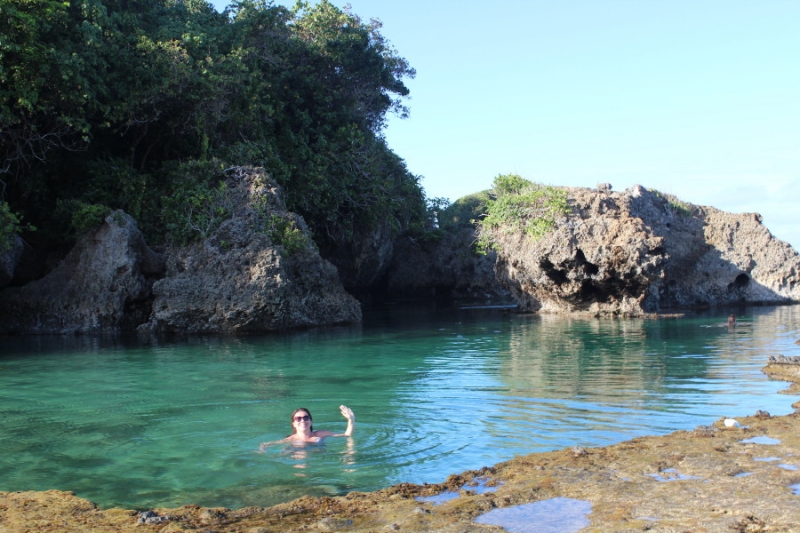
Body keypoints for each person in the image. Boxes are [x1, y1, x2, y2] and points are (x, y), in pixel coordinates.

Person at [259, 405, 355, 451]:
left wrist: (351, 419)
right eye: (298, 418)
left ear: (310, 421)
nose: (302, 420)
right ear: (294, 424)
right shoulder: (291, 439)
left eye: (306, 417)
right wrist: (262, 449)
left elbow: (346, 436)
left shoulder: (320, 434)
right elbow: (267, 444)